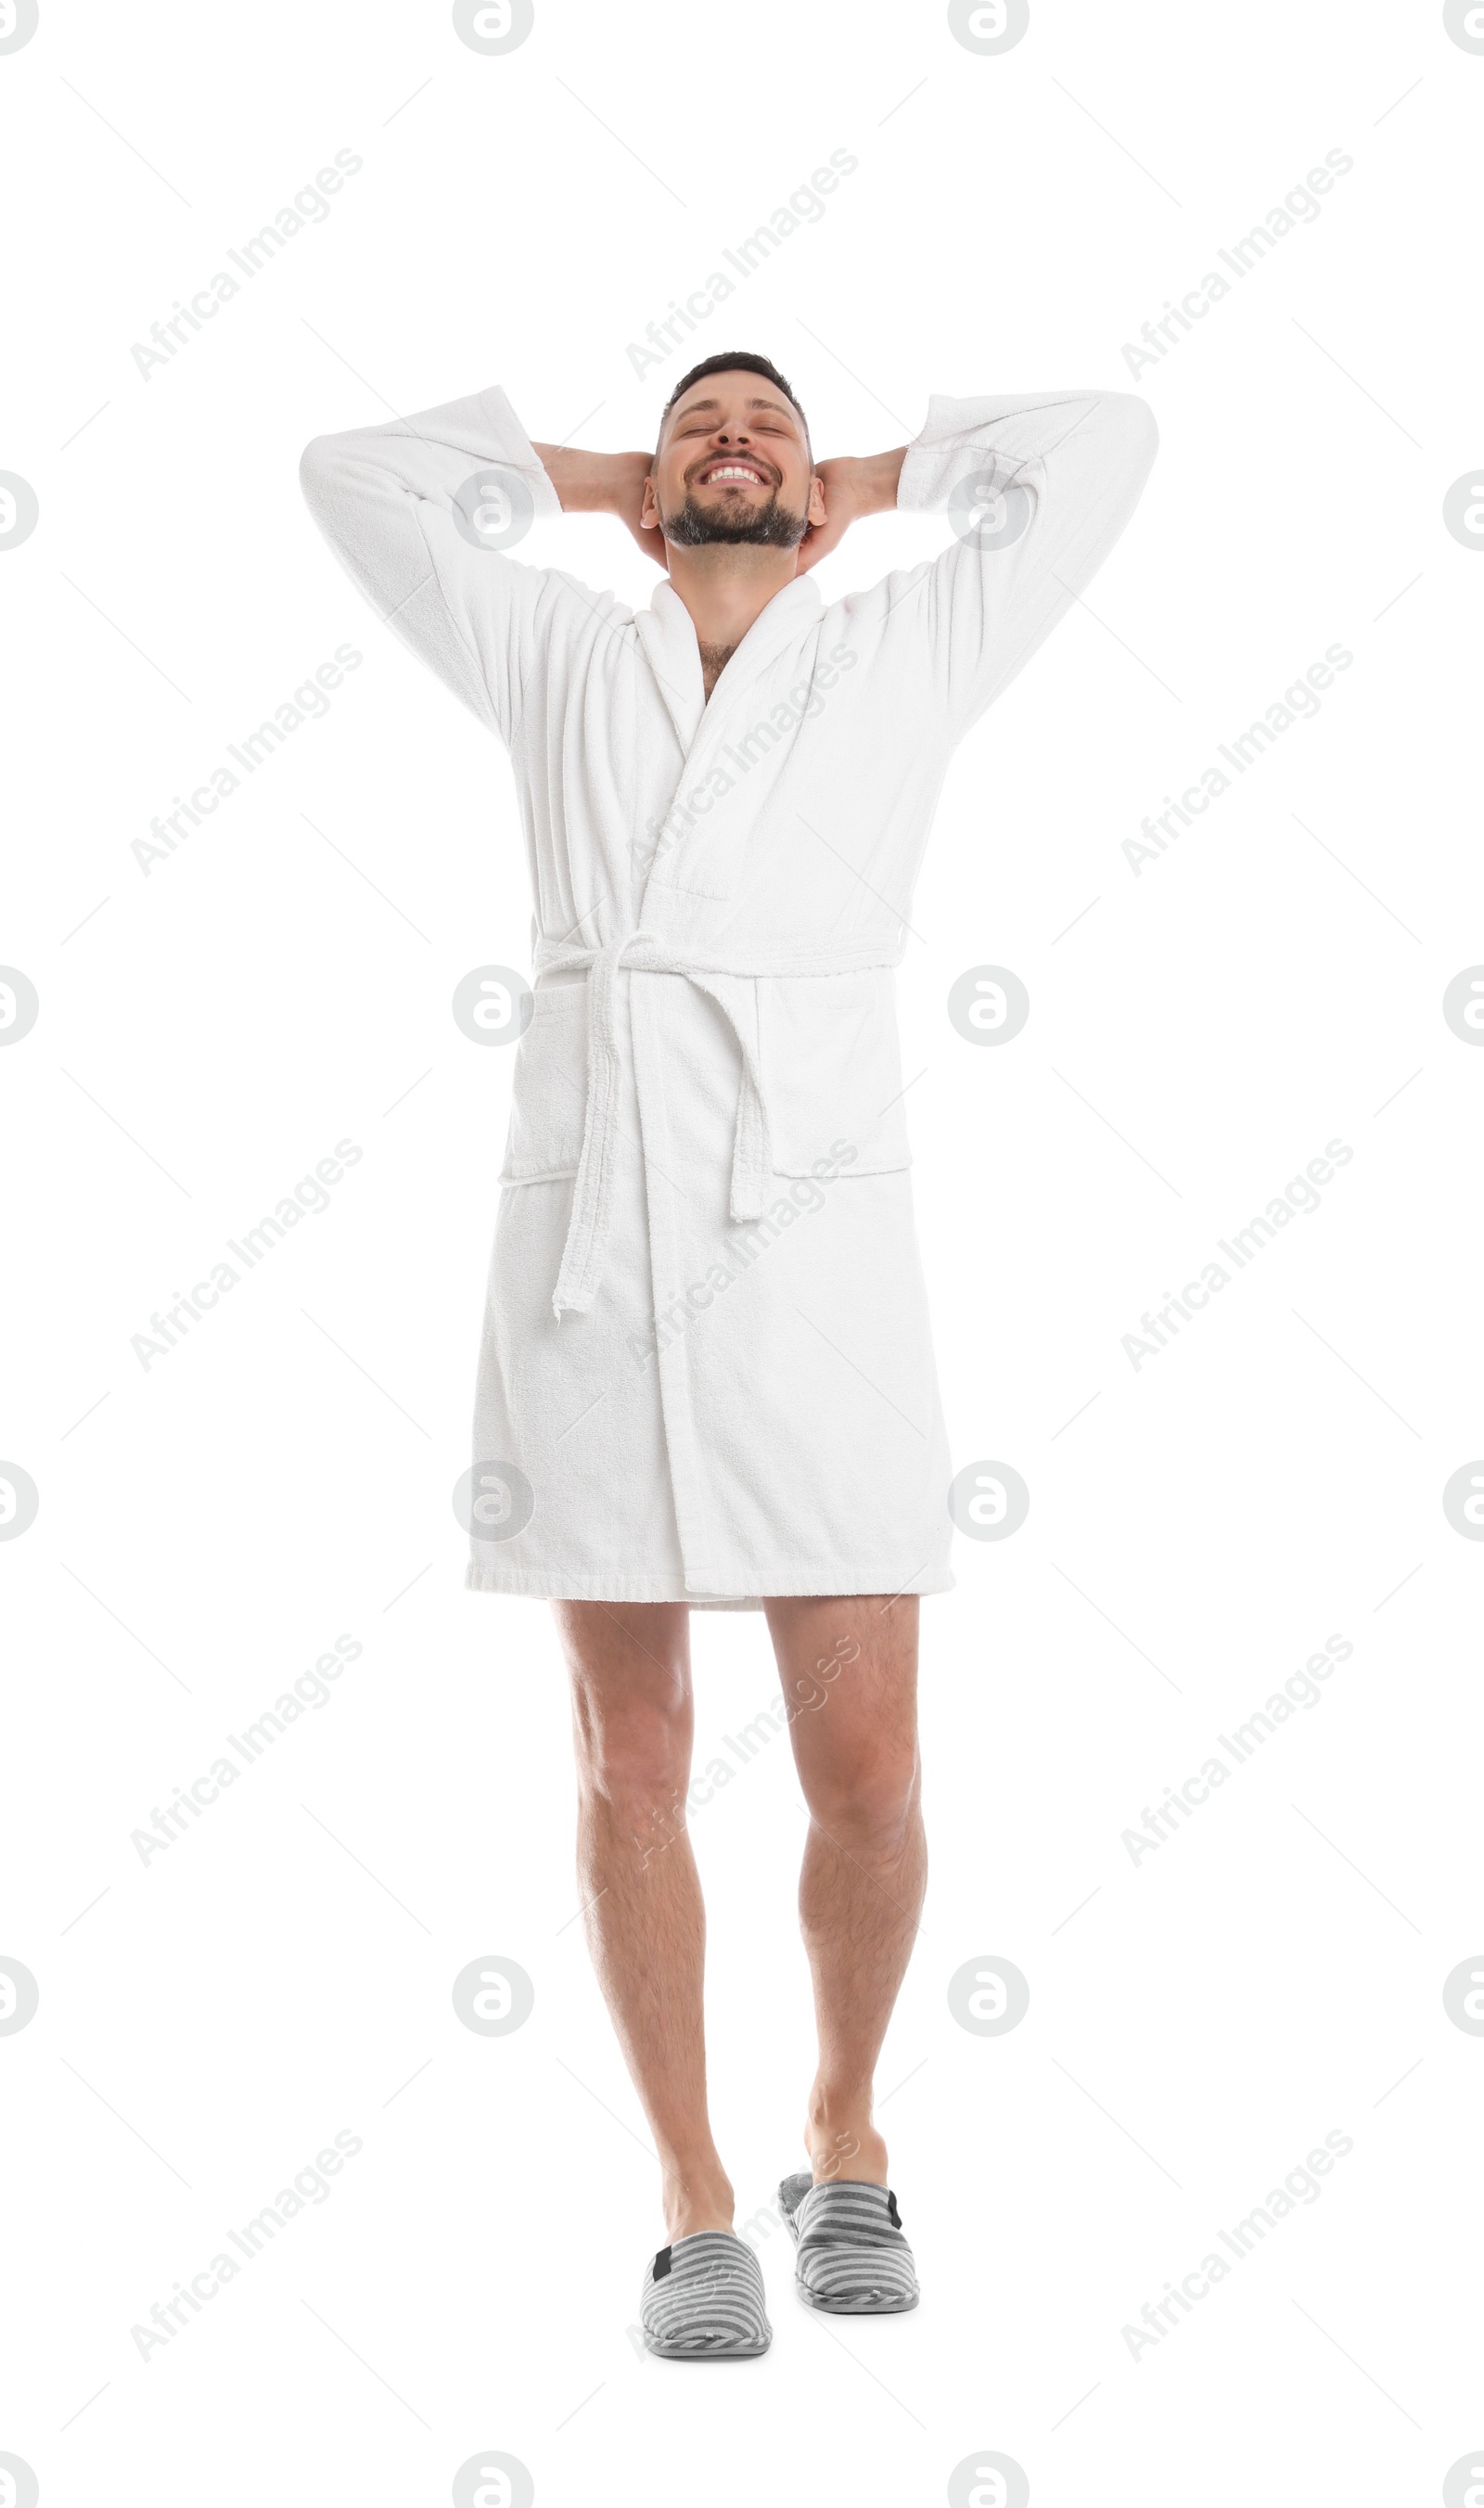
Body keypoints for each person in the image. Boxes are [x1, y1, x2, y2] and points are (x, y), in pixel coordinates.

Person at [300, 352, 1158, 2356]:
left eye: (759, 419)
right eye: (699, 423)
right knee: (631, 1748)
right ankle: (690, 2190)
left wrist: (868, 475)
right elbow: (346, 475)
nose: (730, 439)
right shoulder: (549, 649)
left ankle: (843, 2131)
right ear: (655, 479)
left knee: (866, 1762)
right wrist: (597, 475)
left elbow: (1105, 444)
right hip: (596, 1243)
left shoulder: (903, 643)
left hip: (814, 1248)